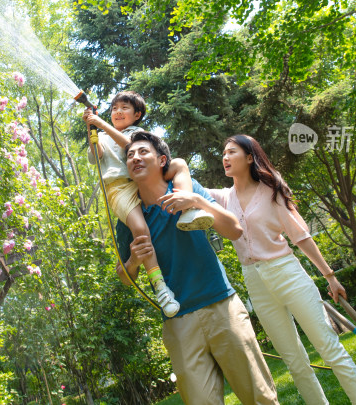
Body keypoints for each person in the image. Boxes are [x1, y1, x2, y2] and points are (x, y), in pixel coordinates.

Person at [116, 130, 279, 405]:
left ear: (162, 160)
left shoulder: (188, 189)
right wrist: (132, 261)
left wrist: (197, 202)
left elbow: (235, 230)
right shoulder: (128, 221)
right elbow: (124, 277)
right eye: (130, 155)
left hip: (222, 306)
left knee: (260, 396)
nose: (135, 157)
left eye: (143, 152)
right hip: (178, 323)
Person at [206, 134, 356, 405]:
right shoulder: (223, 198)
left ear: (250, 157)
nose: (225, 157)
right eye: (223, 153)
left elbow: (300, 236)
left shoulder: (272, 192)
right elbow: (186, 185)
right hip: (255, 280)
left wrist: (329, 276)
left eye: (232, 152)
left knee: (328, 347)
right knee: (294, 361)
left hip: (286, 271)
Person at [83, 91, 213, 317]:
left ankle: (188, 210)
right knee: (141, 230)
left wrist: (102, 123)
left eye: (124, 108)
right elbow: (95, 156)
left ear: (137, 115)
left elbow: (131, 148)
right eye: (114, 108)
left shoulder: (138, 134)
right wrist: (92, 129)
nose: (118, 112)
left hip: (145, 179)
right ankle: (160, 288)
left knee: (179, 165)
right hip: (120, 188)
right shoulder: (103, 136)